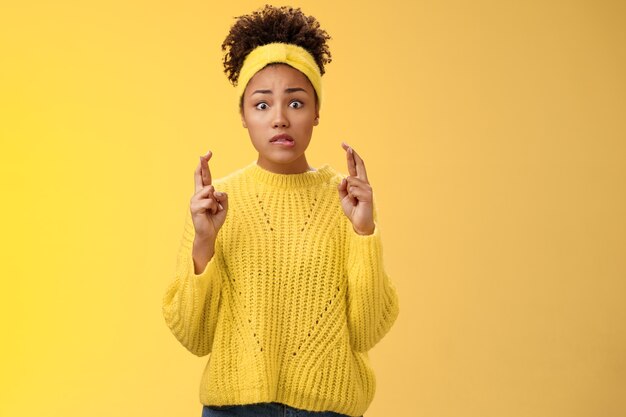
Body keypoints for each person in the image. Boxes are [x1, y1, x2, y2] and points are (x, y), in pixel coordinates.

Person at [162, 5, 399, 417]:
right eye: (261, 105)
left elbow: (367, 332)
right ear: (242, 116)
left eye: (295, 103)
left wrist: (364, 232)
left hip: (328, 409)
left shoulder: (346, 201)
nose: (279, 120)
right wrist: (204, 240)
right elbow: (193, 336)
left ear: (316, 112)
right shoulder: (217, 202)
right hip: (233, 410)